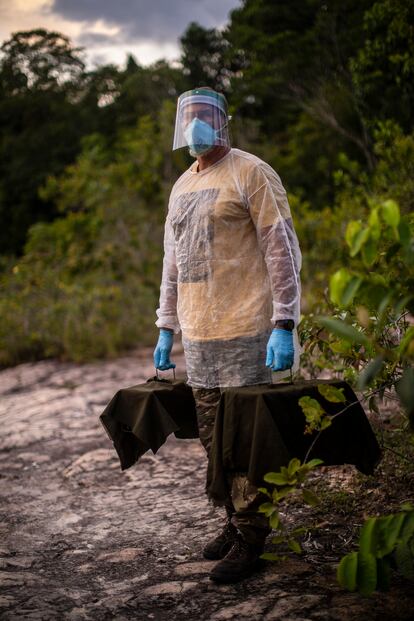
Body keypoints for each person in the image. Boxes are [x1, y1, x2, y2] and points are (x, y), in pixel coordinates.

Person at [153, 87, 302, 583]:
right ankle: (234, 523)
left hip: (249, 329)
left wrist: (285, 323)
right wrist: (165, 326)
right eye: (188, 116)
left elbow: (282, 249)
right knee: (214, 441)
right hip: (200, 334)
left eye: (204, 116)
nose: (195, 124)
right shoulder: (181, 186)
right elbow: (172, 263)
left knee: (247, 441)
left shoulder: (251, 172)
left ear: (222, 121)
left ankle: (252, 538)